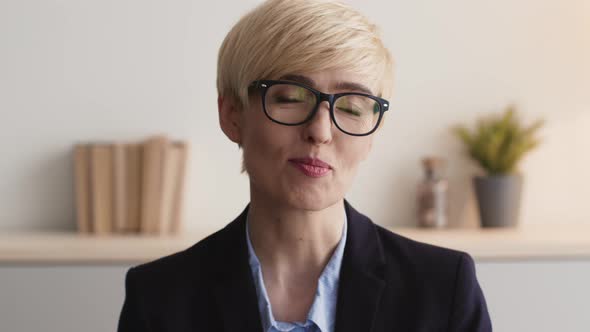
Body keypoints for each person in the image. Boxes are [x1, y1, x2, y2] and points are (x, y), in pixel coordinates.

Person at [117, 0, 492, 331]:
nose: (320, 131)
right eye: (290, 98)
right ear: (231, 115)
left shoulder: (443, 288)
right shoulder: (160, 299)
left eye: (351, 107)